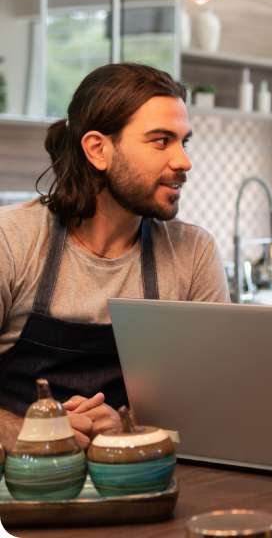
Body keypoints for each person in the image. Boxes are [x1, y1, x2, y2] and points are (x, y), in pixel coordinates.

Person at [0, 63, 229, 451]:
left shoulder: (193, 253)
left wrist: (128, 423)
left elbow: (216, 397)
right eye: (161, 141)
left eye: (183, 142)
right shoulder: (12, 241)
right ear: (97, 149)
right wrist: (25, 430)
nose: (183, 161)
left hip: (141, 478)